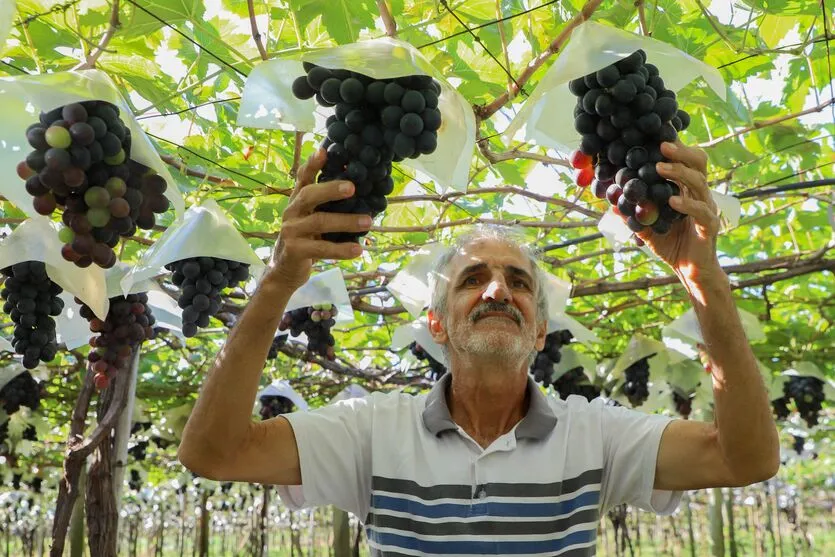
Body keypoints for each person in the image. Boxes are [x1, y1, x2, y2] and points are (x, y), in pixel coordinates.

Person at [177, 141, 780, 556]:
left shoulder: (595, 435)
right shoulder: (373, 433)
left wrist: (703, 279)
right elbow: (215, 454)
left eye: (519, 282)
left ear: (540, 331)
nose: (498, 289)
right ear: (436, 324)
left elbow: (744, 460)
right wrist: (278, 284)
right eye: (473, 279)